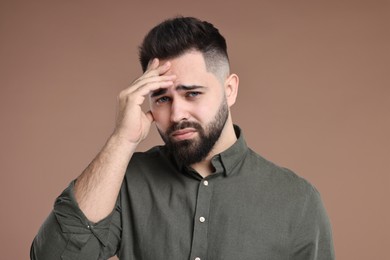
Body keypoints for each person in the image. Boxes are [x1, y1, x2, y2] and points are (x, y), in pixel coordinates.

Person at [31, 16, 335, 260]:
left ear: (229, 90)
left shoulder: (297, 200)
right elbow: (52, 256)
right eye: (161, 98)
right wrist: (121, 140)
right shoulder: (125, 181)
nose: (177, 114)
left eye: (192, 93)